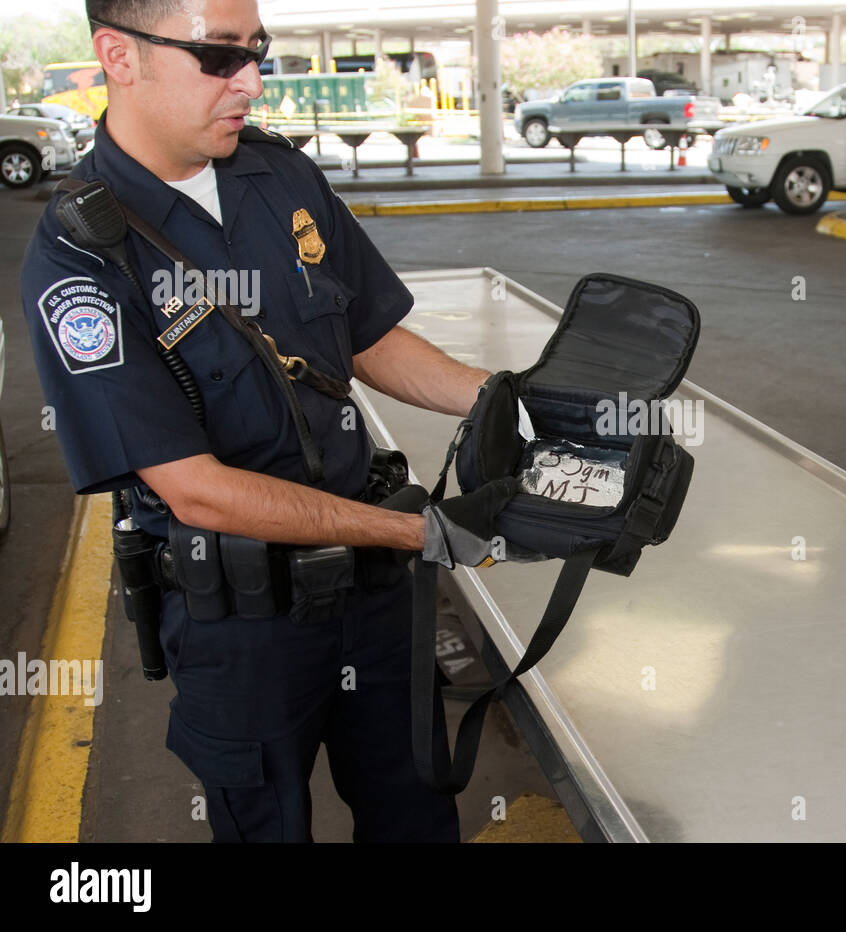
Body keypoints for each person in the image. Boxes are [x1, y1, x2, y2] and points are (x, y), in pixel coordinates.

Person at [20, 0, 493, 842]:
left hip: (376, 602)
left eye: (257, 51)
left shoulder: (278, 174)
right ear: (118, 57)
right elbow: (194, 490)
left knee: (418, 814)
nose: (251, 80)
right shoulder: (79, 257)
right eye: (218, 57)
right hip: (242, 632)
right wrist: (409, 532)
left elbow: (369, 335)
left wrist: (501, 397)